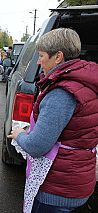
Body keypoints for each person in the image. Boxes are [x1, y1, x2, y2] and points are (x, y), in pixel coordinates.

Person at [8, 28, 98, 212]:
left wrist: (19, 135)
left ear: (58, 57)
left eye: (41, 56)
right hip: (77, 179)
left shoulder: (62, 92)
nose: (39, 62)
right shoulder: (84, 81)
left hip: (57, 190)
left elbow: (37, 147)